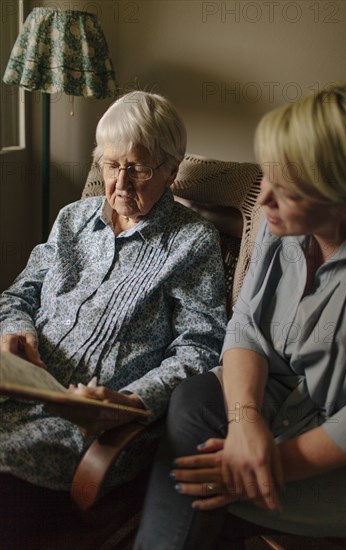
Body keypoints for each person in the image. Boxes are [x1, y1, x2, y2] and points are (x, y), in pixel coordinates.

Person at [134, 81, 346, 549]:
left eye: (287, 191)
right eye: (267, 180)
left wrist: (264, 463)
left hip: (341, 460)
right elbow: (247, 325)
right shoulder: (280, 227)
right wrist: (245, 422)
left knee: (196, 487)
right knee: (195, 400)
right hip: (275, 405)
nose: (261, 203)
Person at [0, 92, 227, 536]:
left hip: (87, 421)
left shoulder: (192, 242)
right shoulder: (72, 219)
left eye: (138, 168)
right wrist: (14, 331)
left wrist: (133, 401)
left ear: (170, 171)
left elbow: (201, 348)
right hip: (19, 385)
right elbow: (18, 294)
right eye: (110, 164)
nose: (120, 183)